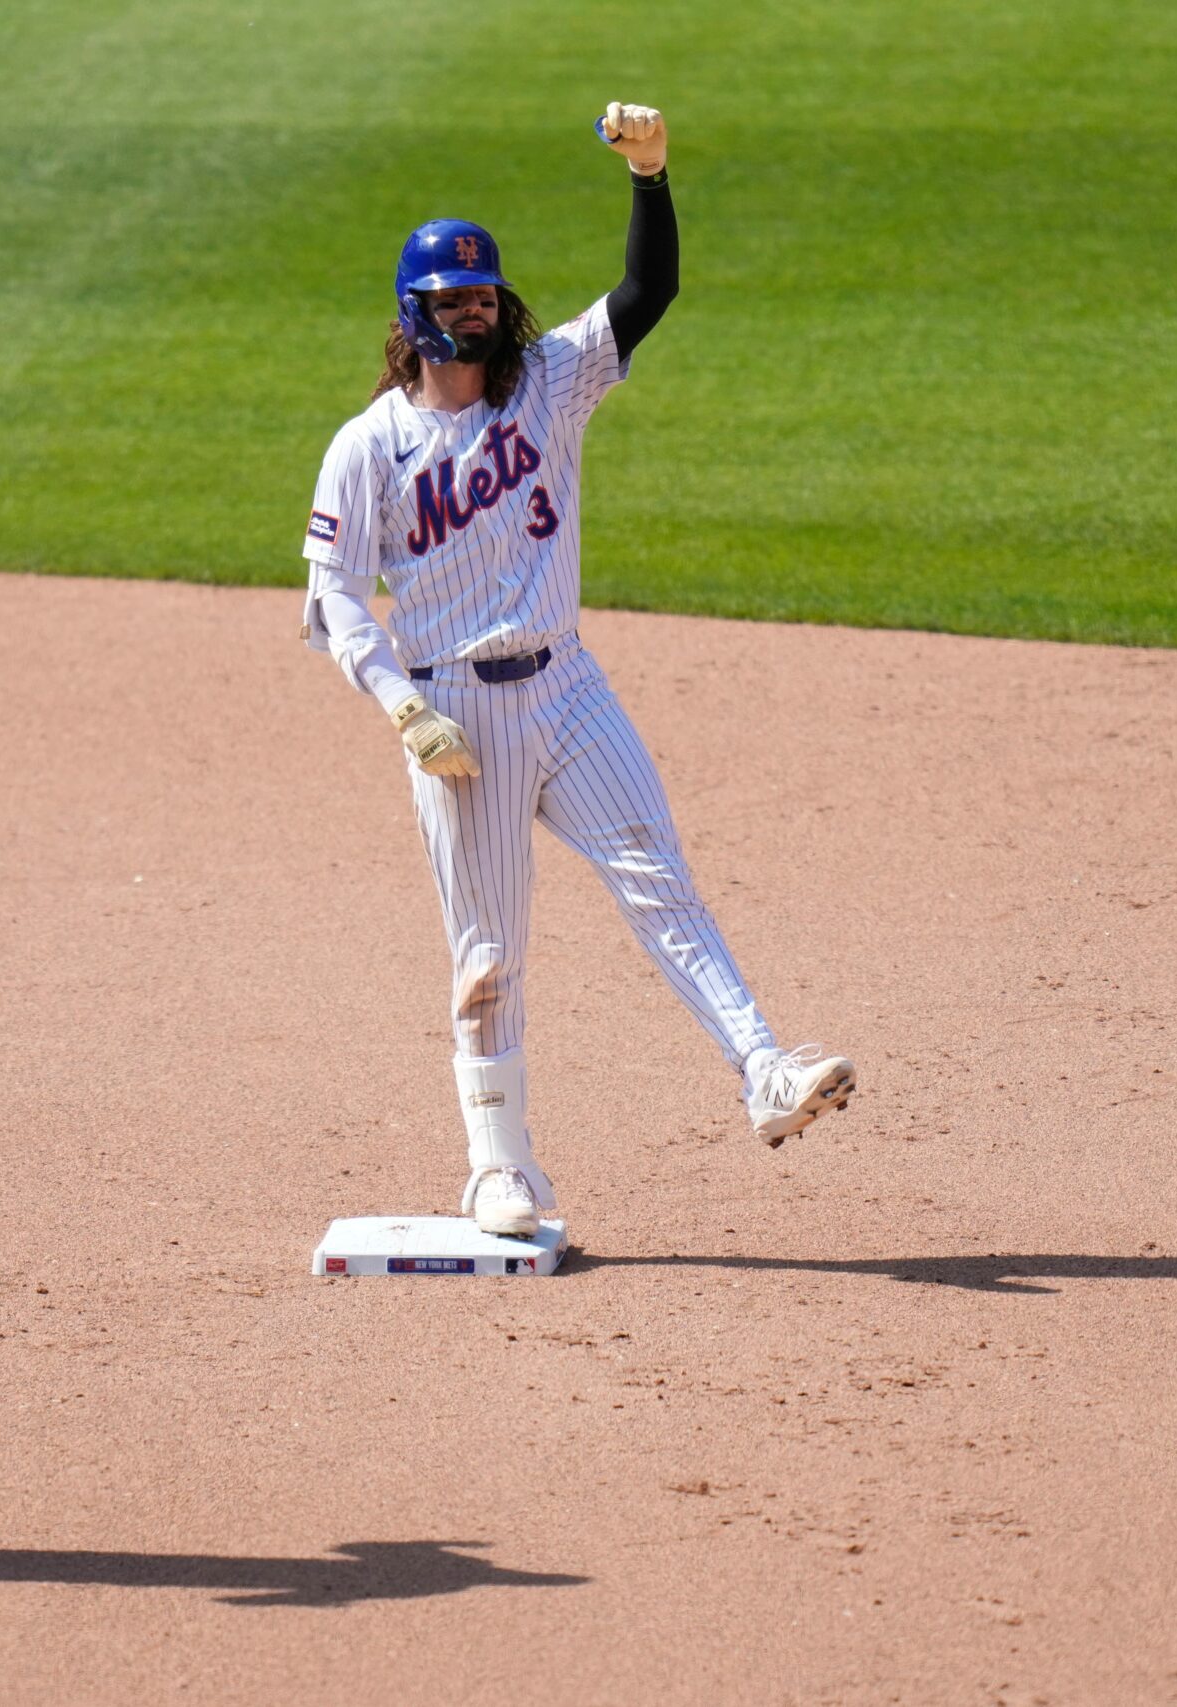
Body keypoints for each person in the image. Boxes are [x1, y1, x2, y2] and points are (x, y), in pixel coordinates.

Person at [299, 104, 856, 1239]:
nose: (476, 312)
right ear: (416, 315)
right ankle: (498, 1171)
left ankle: (759, 1066)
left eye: (485, 296)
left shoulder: (551, 381)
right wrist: (402, 705)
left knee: (659, 876)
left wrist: (649, 179)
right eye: (454, 301)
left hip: (568, 687)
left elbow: (645, 297)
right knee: (488, 957)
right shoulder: (371, 447)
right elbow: (333, 596)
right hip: (455, 710)